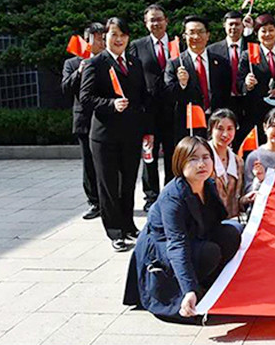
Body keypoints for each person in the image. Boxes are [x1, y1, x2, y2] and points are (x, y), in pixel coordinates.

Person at [123, 136, 241, 322]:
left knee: (232, 233)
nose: (201, 164)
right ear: (180, 162)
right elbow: (176, 244)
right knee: (209, 252)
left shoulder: (208, 184)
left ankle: (209, 283)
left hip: (194, 236)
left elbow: (218, 219)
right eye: (193, 159)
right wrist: (189, 290)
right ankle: (191, 290)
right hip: (163, 246)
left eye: (206, 157)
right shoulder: (173, 196)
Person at [80, 17, 154, 252]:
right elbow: (85, 98)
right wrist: (111, 104)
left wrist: (148, 130)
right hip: (105, 136)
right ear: (105, 37)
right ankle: (115, 232)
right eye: (114, 35)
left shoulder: (134, 62)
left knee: (129, 183)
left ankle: (128, 225)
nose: (119, 39)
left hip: (131, 134)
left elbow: (143, 98)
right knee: (109, 185)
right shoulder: (96, 63)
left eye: (123, 35)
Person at [129, 4, 175, 211]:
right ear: (146, 24)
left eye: (159, 19)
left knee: (173, 154)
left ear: (166, 21)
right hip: (148, 112)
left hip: (173, 110)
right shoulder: (137, 46)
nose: (156, 23)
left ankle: (171, 193)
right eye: (152, 20)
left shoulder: (177, 44)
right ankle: (151, 197)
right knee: (149, 156)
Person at [61, 22, 105, 220]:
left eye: (103, 38)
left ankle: (111, 201)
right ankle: (94, 202)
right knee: (89, 163)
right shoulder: (72, 63)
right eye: (98, 38)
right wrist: (79, 71)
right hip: (85, 120)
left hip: (106, 119)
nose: (101, 42)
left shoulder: (108, 61)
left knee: (108, 163)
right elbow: (65, 88)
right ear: (87, 40)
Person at [165, 15, 232, 141]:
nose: (196, 37)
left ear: (208, 35)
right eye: (191, 33)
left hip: (216, 122)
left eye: (200, 32)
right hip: (189, 123)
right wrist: (182, 84)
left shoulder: (221, 62)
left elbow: (226, 93)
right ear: (184, 36)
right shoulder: (175, 63)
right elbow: (169, 94)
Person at [238, 13, 275, 143]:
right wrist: (247, 84)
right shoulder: (248, 55)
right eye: (263, 31)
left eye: (271, 30)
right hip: (257, 111)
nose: (267, 34)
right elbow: (239, 83)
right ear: (257, 33)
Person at [208, 10, 250, 142]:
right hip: (223, 102)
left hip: (247, 101)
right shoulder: (212, 50)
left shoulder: (252, 48)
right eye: (230, 24)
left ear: (243, 26)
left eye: (237, 24)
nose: (234, 28)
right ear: (224, 25)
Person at [206, 109, 245, 222]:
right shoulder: (202, 159)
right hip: (207, 223)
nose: (225, 134)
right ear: (211, 129)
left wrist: (246, 199)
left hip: (232, 224)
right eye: (220, 128)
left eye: (230, 129)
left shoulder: (238, 162)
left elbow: (238, 200)